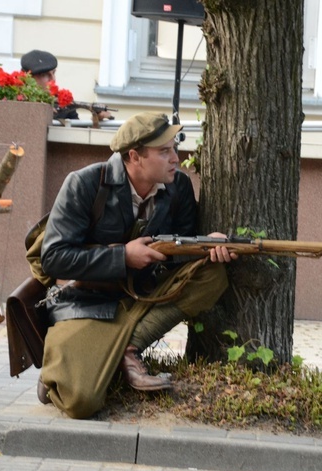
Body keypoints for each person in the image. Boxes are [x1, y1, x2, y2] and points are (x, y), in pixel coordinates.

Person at [36, 112, 237, 419]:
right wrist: (123, 257)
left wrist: (206, 246)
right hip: (85, 303)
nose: (176, 158)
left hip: (143, 297)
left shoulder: (178, 187)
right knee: (80, 402)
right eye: (164, 151)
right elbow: (54, 258)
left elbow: (178, 256)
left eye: (175, 148)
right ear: (134, 156)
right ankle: (64, 368)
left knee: (212, 274)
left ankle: (128, 349)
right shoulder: (84, 184)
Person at [20, 49, 112, 121]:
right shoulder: (15, 98)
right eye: (45, 75)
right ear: (28, 77)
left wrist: (96, 120)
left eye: (53, 73)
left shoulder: (63, 103)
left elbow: (76, 135)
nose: (53, 79)